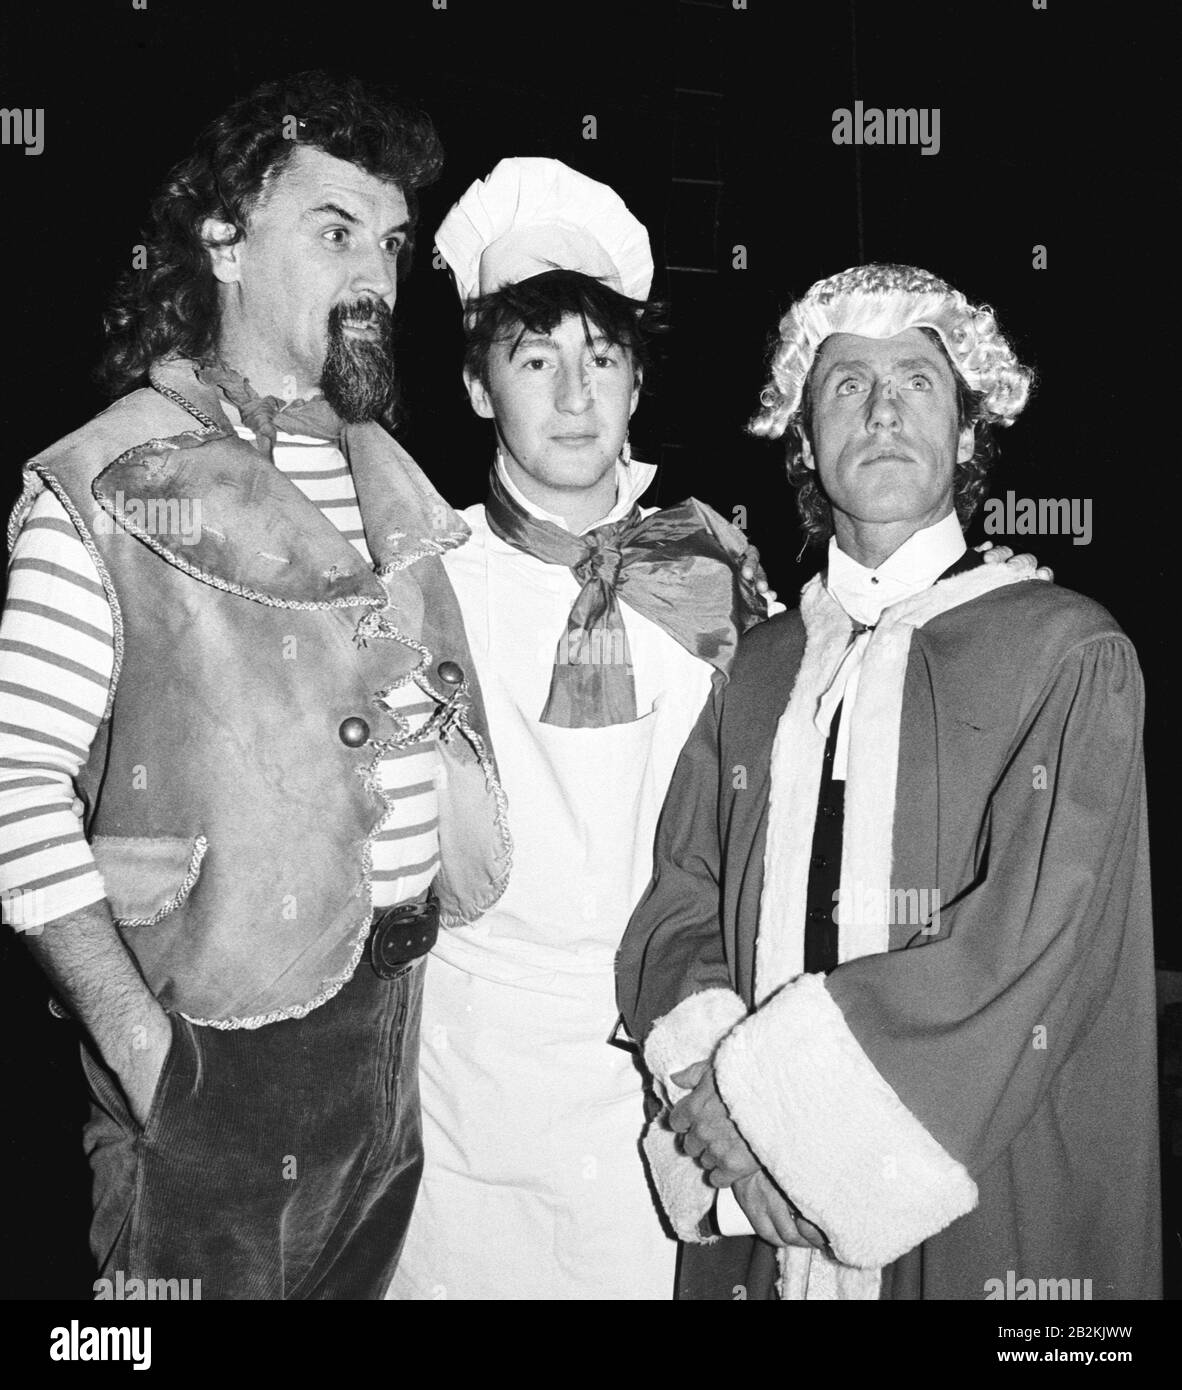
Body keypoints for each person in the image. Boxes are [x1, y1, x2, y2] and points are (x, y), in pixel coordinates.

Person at [0, 71, 510, 1300]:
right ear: (222, 240)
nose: (377, 279)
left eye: (389, 243)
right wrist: (138, 1047)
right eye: (335, 232)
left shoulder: (389, 473)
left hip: (387, 1034)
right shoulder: (109, 478)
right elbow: (13, 782)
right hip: (212, 1057)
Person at [617, 263, 1160, 1300]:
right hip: (753, 1205)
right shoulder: (761, 664)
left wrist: (780, 1116)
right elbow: (680, 896)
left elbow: (1036, 945)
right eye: (846, 384)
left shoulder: (1065, 654)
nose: (882, 409)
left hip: (977, 1183)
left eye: (917, 380)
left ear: (966, 432)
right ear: (806, 440)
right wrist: (715, 1097)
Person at [386, 157, 776, 1300]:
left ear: (639, 383)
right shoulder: (418, 574)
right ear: (475, 385)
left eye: (602, 359)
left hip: (653, 1059)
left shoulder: (710, 570)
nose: (573, 395)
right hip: (467, 1078)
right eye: (534, 357)